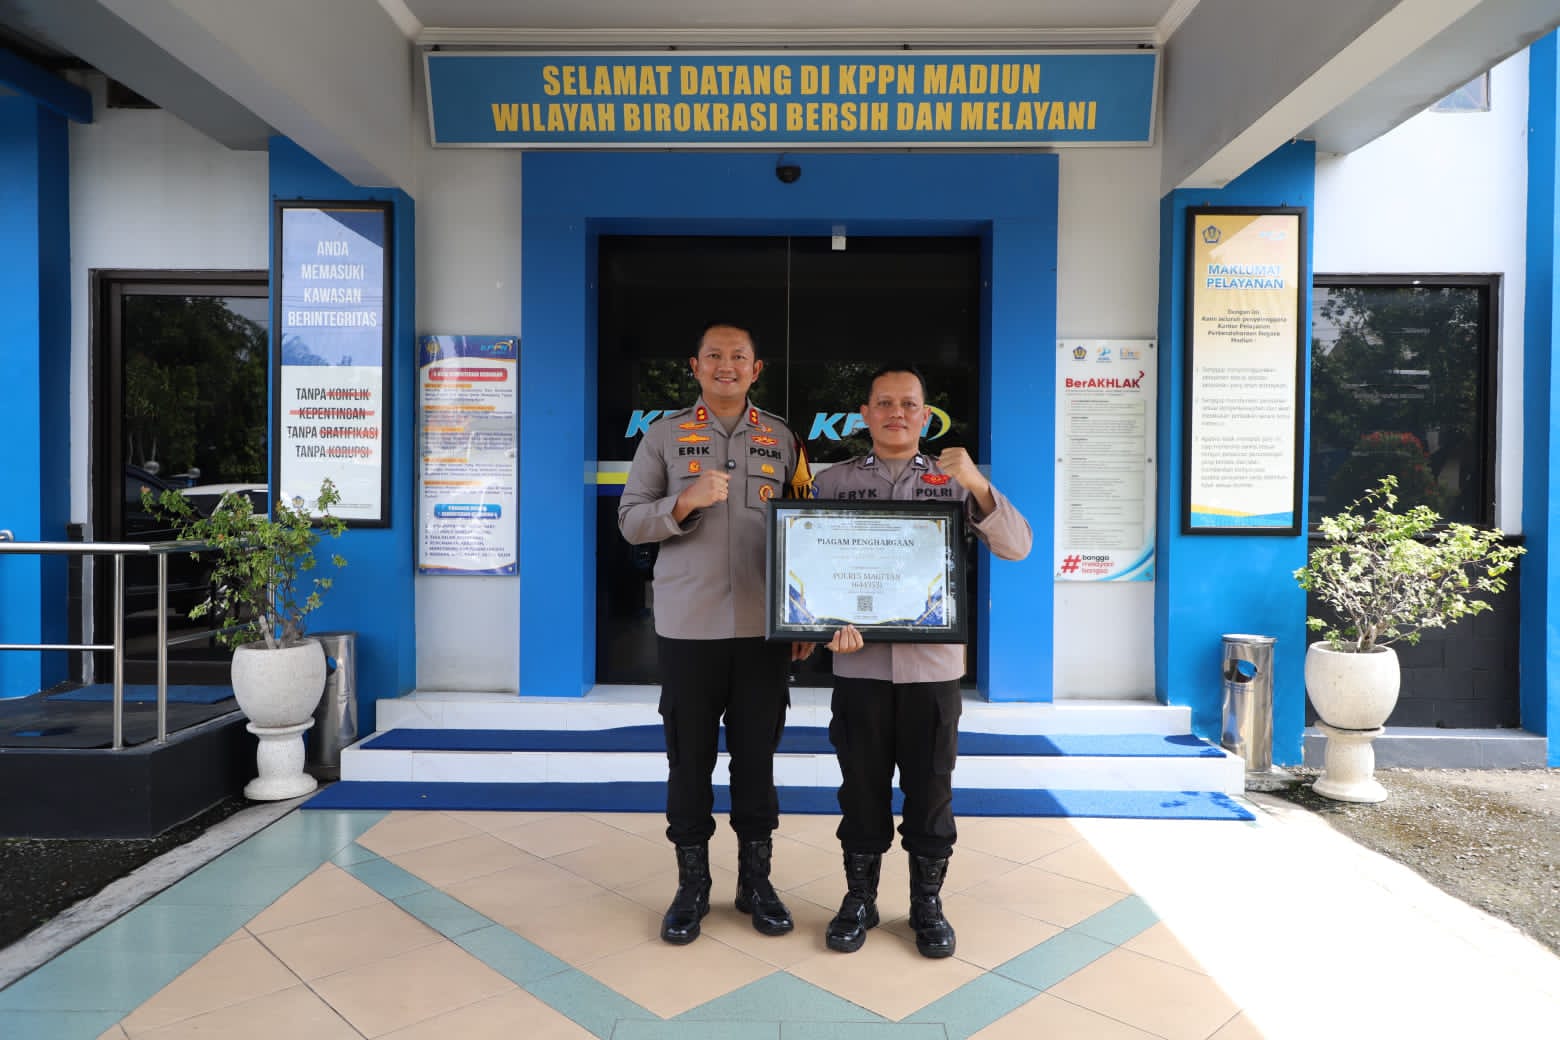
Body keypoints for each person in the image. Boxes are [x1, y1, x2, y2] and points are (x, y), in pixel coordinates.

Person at [805, 362, 1032, 958]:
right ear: (865, 414)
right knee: (860, 790)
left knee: (931, 793)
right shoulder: (833, 483)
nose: (896, 413)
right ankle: (860, 899)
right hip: (860, 669)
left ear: (926, 416)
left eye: (909, 404)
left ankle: (926, 904)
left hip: (932, 670)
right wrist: (822, 629)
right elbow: (814, 570)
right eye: (884, 403)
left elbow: (1017, 547)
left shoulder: (954, 480)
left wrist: (978, 484)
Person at [618, 322, 814, 945]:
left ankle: (756, 883)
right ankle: (692, 887)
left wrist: (803, 615)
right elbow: (630, 521)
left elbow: (807, 527)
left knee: (756, 761)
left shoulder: (783, 439)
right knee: (689, 761)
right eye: (714, 356)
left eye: (738, 356)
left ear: (757, 369)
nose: (726, 365)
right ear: (695, 366)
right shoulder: (663, 437)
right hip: (689, 629)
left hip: (761, 630)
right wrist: (683, 503)